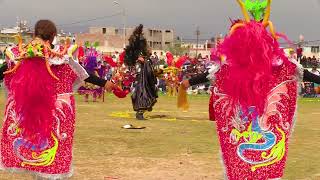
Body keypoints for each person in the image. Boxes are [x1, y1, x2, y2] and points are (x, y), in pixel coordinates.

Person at [180, 0, 320, 179]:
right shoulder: (234, 69)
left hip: (261, 129)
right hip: (246, 127)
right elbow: (211, 75)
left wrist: (188, 83)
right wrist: (188, 83)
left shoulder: (278, 67)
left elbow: (303, 74)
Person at [0, 20, 115, 179]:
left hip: (27, 111)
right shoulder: (63, 56)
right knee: (52, 148)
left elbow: (3, 72)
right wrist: (104, 82)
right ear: (53, 36)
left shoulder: (18, 54)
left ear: (34, 34)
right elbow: (84, 73)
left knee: (31, 145)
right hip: (57, 112)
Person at [124, 24, 158, 120]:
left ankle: (145, 107)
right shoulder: (138, 56)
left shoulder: (145, 55)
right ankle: (140, 112)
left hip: (146, 77)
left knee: (148, 92)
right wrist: (140, 60)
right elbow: (135, 61)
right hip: (141, 79)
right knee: (142, 94)